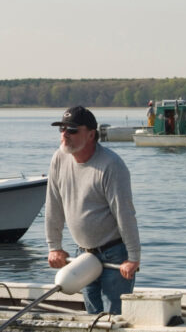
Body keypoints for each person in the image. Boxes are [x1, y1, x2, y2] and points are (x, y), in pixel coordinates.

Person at [45, 106, 141, 315]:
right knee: (91, 318)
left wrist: (133, 258)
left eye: (72, 130)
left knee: (114, 319)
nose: (64, 135)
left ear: (90, 134)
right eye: (62, 129)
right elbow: (53, 204)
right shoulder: (59, 159)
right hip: (83, 254)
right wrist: (54, 246)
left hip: (115, 256)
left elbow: (124, 213)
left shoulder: (111, 165)